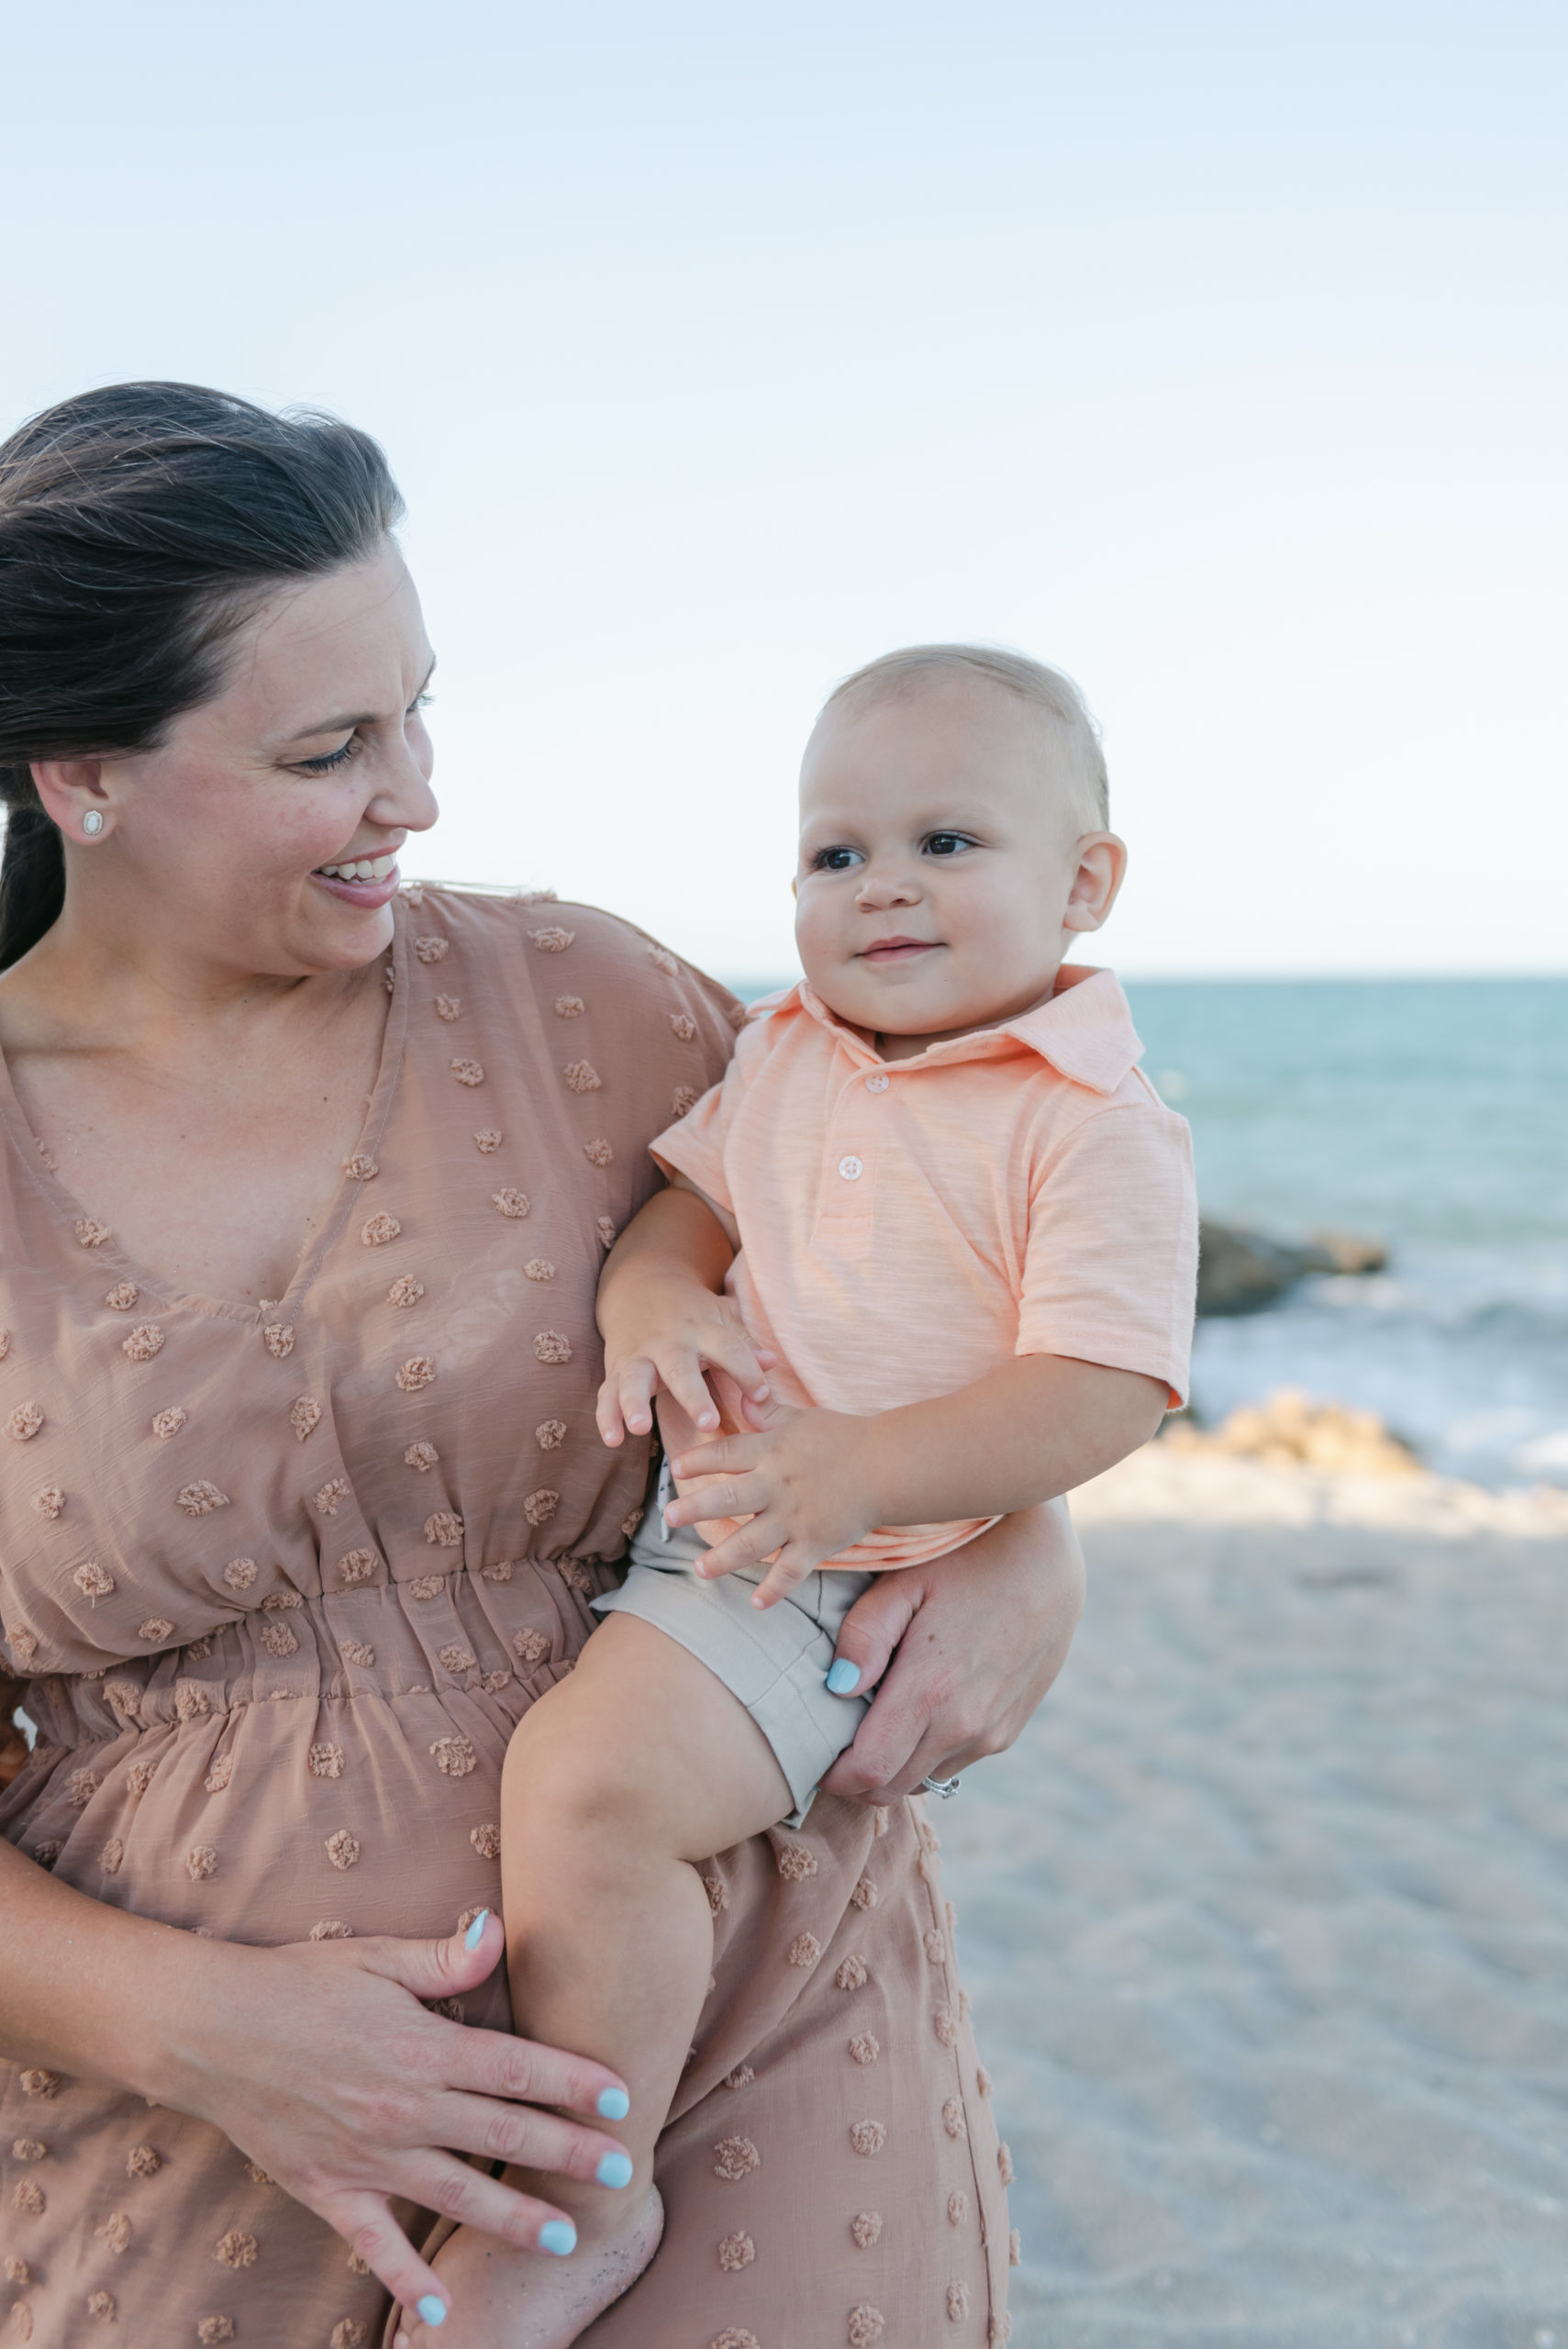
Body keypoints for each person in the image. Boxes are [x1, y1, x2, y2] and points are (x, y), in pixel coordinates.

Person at [0, 384, 1085, 2349]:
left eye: (418, 706)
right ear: (80, 776)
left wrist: (1034, 1545)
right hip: (180, 2120)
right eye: (332, 747)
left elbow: (948, 1269)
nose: (415, 789)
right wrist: (194, 2028)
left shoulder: (589, 1001)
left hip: (757, 2022)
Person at [419, 645, 1199, 2343]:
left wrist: (876, 1470)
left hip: (826, 1564)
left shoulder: (1092, 1121)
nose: (882, 891)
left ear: (1085, 884)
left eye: (945, 844)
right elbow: (693, 1211)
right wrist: (651, 1300)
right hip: (749, 1519)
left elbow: (1102, 1385)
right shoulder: (795, 1052)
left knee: (588, 1795)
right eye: (835, 856)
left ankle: (583, 2200)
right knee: (586, 1788)